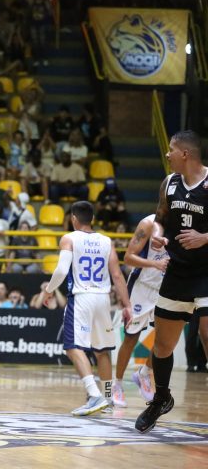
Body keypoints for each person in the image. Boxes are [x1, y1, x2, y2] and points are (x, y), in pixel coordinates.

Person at [135, 131, 208, 433]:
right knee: (163, 345)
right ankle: (161, 398)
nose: (167, 155)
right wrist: (158, 235)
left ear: (186, 154)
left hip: (206, 272)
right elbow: (161, 216)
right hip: (177, 271)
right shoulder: (169, 183)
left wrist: (204, 238)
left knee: (206, 333)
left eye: (171, 150)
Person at [44, 201, 132, 416]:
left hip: (82, 298)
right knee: (102, 351)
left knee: (72, 347)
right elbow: (117, 275)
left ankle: (94, 395)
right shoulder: (106, 241)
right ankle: (108, 398)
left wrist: (48, 290)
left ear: (73, 218)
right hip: (103, 299)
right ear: (92, 218)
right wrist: (127, 304)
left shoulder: (69, 238)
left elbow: (61, 270)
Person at [111, 214, 168, 408]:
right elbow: (128, 258)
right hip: (141, 288)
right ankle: (117, 385)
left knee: (165, 339)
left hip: (165, 288)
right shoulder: (147, 224)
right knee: (130, 339)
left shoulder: (183, 223)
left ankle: (144, 373)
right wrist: (154, 264)